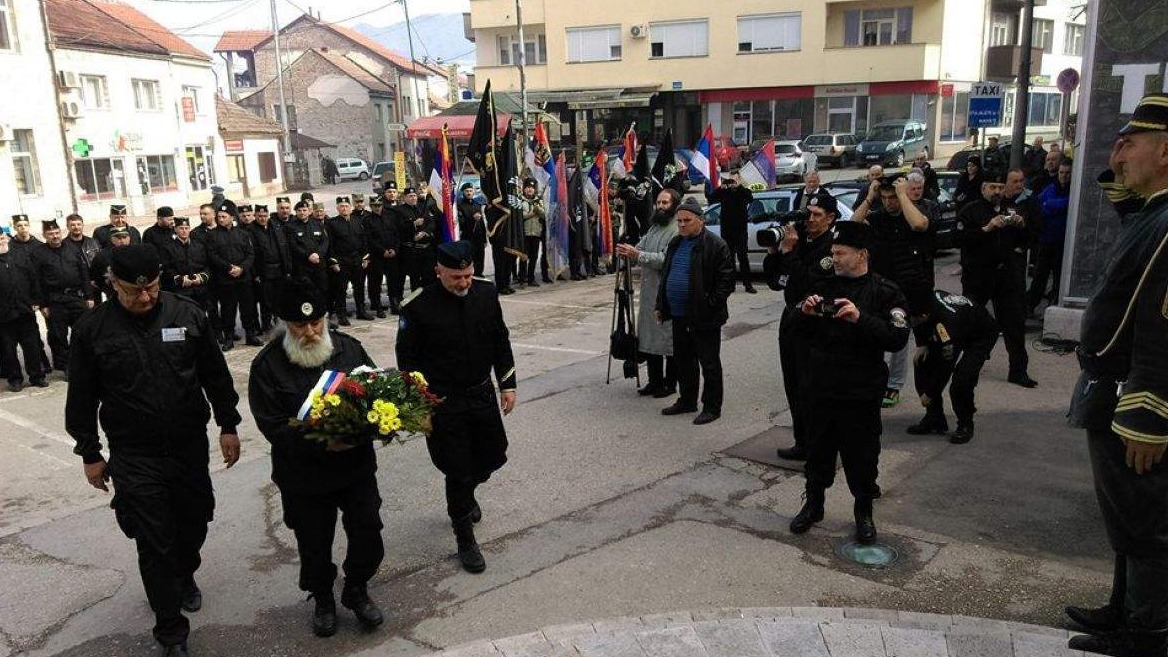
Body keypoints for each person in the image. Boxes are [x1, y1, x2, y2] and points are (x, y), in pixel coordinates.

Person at [65, 244, 242, 657]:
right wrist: (89, 452)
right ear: (114, 285)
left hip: (187, 445)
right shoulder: (92, 330)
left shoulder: (186, 314)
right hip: (134, 453)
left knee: (195, 519)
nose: (145, 298)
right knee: (153, 539)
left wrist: (228, 424)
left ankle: (185, 572)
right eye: (134, 291)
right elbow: (81, 397)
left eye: (152, 288)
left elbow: (215, 375)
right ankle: (171, 632)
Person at [1063, 93, 1168, 657]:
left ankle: (1147, 633)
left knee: (1147, 522)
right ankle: (1123, 610)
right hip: (1111, 389)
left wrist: (1150, 406)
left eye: (1130, 143)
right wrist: (1123, 163)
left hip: (1135, 398)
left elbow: (1164, 325)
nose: (1117, 153)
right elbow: (1119, 193)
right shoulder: (1152, 213)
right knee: (1125, 514)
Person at [248, 280, 385, 637]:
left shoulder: (349, 350)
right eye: (299, 326)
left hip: (354, 468)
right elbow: (272, 425)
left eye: (316, 323)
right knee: (313, 543)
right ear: (284, 324)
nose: (309, 332)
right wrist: (322, 443)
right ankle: (322, 596)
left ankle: (356, 588)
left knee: (369, 530)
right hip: (303, 476)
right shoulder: (268, 365)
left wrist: (378, 426)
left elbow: (376, 398)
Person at [396, 240, 517, 574]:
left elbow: (499, 340)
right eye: (456, 277)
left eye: (467, 275)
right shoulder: (417, 307)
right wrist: (418, 406)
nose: (463, 283)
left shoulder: (486, 293)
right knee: (458, 470)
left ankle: (467, 493)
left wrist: (508, 384)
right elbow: (407, 363)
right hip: (443, 402)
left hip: (480, 394)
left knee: (494, 456)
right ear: (439, 271)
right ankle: (464, 537)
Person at [789, 221, 910, 544]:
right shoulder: (824, 285)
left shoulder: (885, 292)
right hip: (821, 387)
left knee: (862, 457)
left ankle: (864, 513)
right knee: (817, 453)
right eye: (833, 252)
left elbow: (897, 337)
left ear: (862, 255)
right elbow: (795, 330)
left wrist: (860, 319)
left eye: (841, 253)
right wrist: (805, 312)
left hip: (860, 392)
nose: (835, 259)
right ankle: (814, 506)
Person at [764, 192, 838, 460]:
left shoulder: (830, 249)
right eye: (809, 214)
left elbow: (805, 283)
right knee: (793, 384)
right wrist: (775, 251)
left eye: (817, 216)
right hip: (792, 318)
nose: (810, 220)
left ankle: (819, 446)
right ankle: (802, 441)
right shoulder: (801, 242)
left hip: (815, 323)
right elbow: (775, 281)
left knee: (812, 388)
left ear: (830, 218)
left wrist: (790, 253)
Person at [853, 176, 933, 408]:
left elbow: (919, 225)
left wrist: (902, 195)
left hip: (913, 288)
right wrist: (870, 198)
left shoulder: (921, 210)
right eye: (885, 198)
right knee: (875, 331)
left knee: (907, 338)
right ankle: (875, 379)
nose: (889, 203)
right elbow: (854, 224)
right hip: (882, 286)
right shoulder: (878, 219)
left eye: (893, 197)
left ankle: (899, 386)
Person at [656, 197, 735, 425]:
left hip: (704, 317)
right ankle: (687, 400)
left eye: (686, 221)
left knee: (708, 363)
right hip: (679, 315)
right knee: (683, 360)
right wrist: (662, 305)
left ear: (700, 221)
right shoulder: (675, 243)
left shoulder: (715, 245)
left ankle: (712, 406)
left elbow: (726, 282)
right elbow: (666, 276)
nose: (681, 225)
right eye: (679, 221)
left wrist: (709, 304)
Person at [956, 172, 1037, 387]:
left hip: (1006, 275)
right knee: (971, 321)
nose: (997, 192)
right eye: (993, 187)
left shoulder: (1010, 208)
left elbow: (1030, 238)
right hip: (978, 275)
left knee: (1014, 323)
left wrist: (1021, 225)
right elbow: (959, 239)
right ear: (983, 189)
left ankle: (1018, 371)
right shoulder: (971, 210)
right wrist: (987, 229)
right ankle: (966, 365)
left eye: (1000, 187)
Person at [905, 290, 998, 444]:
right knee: (922, 361)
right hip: (957, 326)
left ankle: (965, 424)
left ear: (923, 316)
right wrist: (922, 344)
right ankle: (934, 418)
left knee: (962, 380)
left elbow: (944, 366)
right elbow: (918, 323)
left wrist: (929, 393)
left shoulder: (946, 326)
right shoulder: (923, 302)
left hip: (981, 335)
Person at [617, 189, 680, 398]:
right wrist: (627, 250)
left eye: (665, 203)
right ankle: (654, 382)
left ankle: (670, 384)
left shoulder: (675, 230)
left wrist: (638, 255)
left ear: (673, 205)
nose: (661, 206)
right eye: (659, 202)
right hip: (648, 293)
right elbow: (639, 248)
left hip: (666, 294)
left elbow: (665, 259)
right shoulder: (654, 227)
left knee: (668, 342)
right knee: (650, 340)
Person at [33, 219, 96, 376]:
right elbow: (37, 281)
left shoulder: (71, 248)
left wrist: (89, 296)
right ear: (44, 235)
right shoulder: (39, 253)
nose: (55, 236)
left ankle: (85, 361)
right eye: (50, 234)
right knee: (59, 336)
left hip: (76, 297)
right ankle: (68, 366)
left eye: (57, 233)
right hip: (55, 300)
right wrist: (43, 305)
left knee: (83, 330)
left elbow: (84, 274)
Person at [207, 201, 261, 350]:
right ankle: (229, 338)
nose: (220, 219)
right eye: (219, 216)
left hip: (243, 278)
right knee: (227, 310)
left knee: (248, 308)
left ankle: (250, 335)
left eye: (224, 216)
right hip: (225, 279)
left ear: (232, 217)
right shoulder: (212, 235)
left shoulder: (243, 234)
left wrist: (242, 268)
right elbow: (212, 255)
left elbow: (250, 254)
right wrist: (229, 267)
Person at [0, 231, 47, 391]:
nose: (1, 241)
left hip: (25, 310)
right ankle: (15, 379)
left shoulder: (19, 255)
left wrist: (36, 301)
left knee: (32, 346)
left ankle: (37, 376)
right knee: (8, 349)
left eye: (2, 237)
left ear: (6, 237)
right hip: (4, 315)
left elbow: (34, 279)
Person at [1026, 158, 1072, 315]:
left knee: (1059, 277)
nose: (1064, 176)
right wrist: (1055, 206)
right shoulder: (1050, 188)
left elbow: (1067, 204)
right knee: (1040, 276)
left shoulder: (1073, 191)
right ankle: (1030, 306)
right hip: (1046, 239)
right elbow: (1040, 207)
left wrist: (1051, 205)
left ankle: (1054, 304)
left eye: (1067, 173)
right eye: (1061, 173)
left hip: (1063, 242)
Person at [706, 173, 756, 293]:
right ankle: (731, 284)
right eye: (730, 180)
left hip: (740, 231)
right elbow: (711, 198)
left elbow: (750, 198)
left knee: (743, 257)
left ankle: (748, 285)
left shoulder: (743, 192)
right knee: (729, 259)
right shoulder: (724, 192)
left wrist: (739, 187)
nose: (732, 182)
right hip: (727, 231)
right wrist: (720, 188)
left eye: (734, 180)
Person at [326, 195, 373, 325]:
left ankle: (361, 311)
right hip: (342, 261)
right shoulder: (331, 223)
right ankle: (341, 314)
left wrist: (366, 257)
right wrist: (333, 261)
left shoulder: (358, 221)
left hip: (357, 259)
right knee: (341, 289)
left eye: (346, 206)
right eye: (341, 206)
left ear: (351, 207)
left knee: (359, 287)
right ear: (337, 208)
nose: (344, 208)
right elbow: (329, 244)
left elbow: (364, 240)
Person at [249, 204, 288, 332]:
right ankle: (266, 325)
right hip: (264, 271)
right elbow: (251, 254)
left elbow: (284, 247)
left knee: (279, 297)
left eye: (265, 216)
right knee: (266, 301)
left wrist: (287, 268)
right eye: (259, 216)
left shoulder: (275, 226)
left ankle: (279, 321)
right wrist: (256, 274)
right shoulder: (251, 230)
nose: (262, 218)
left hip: (278, 269)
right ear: (255, 216)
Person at [392, 187, 437, 293]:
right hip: (412, 249)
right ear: (404, 198)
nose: (413, 198)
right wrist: (413, 225)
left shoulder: (422, 207)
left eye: (414, 196)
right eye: (410, 196)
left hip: (426, 247)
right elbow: (398, 227)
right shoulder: (399, 210)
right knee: (415, 278)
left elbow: (431, 222)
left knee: (429, 276)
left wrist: (424, 232)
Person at [160, 217, 211, 309]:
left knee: (202, 317)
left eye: (186, 228)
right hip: (181, 291)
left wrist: (201, 277)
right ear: (175, 229)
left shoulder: (199, 246)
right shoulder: (168, 248)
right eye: (181, 228)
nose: (184, 231)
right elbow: (167, 269)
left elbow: (207, 265)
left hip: (200, 290)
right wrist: (180, 279)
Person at [285, 199, 331, 298]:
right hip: (303, 265)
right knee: (306, 291)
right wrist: (308, 256)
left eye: (304, 210)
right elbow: (293, 245)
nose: (302, 213)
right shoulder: (290, 227)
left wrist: (318, 254)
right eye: (299, 210)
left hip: (318, 263)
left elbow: (325, 241)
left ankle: (324, 311)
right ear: (296, 212)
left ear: (309, 211)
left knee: (323, 288)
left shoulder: (317, 224)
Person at [366, 195, 400, 317]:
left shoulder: (390, 217)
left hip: (392, 254)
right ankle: (378, 306)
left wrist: (395, 249)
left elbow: (396, 234)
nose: (377, 208)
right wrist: (382, 251)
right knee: (376, 282)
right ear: (370, 206)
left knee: (393, 280)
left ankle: (394, 304)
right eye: (374, 206)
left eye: (379, 205)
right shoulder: (367, 220)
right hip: (377, 256)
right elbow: (369, 239)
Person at [516, 178, 546, 286]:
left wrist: (539, 210)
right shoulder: (520, 200)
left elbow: (544, 215)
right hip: (525, 233)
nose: (530, 190)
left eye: (532, 188)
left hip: (536, 233)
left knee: (534, 258)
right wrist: (533, 213)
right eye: (528, 187)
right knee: (523, 257)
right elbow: (520, 216)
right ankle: (522, 278)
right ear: (524, 189)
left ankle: (531, 278)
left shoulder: (539, 201)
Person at [88, 226, 132, 299]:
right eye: (118, 238)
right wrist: (106, 288)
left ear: (129, 238)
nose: (122, 240)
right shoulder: (102, 256)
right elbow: (94, 277)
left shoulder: (136, 253)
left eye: (124, 237)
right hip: (113, 295)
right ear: (112, 239)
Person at [457, 183, 488, 277]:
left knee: (480, 257)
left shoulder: (477, 204)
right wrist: (472, 219)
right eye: (467, 191)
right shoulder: (459, 205)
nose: (469, 193)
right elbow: (461, 223)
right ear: (463, 192)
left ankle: (479, 274)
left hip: (478, 237)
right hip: (467, 237)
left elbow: (481, 222)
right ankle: (469, 275)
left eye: (470, 191)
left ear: (474, 191)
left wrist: (484, 238)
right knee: (469, 258)